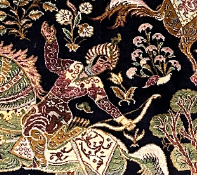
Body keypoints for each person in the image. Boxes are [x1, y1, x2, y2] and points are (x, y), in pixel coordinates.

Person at [22, 24, 122, 167]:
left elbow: (103, 102)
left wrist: (121, 119)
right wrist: (50, 40)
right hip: (44, 104)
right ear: (94, 58)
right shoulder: (74, 66)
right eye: (101, 60)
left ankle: (41, 160)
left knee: (35, 128)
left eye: (106, 65)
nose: (101, 66)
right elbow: (52, 64)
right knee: (25, 120)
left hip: (59, 112)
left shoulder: (95, 83)